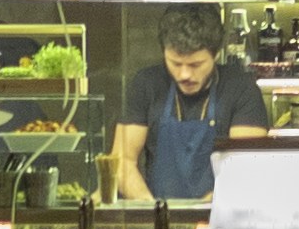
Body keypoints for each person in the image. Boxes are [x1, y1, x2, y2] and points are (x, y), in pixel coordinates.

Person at [111, 13, 271, 209]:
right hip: (158, 215)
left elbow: (245, 167)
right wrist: (151, 207)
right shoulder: (146, 84)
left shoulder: (241, 89)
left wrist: (209, 207)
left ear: (215, 55)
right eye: (175, 63)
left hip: (219, 216)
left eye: (196, 65)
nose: (184, 74)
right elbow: (122, 162)